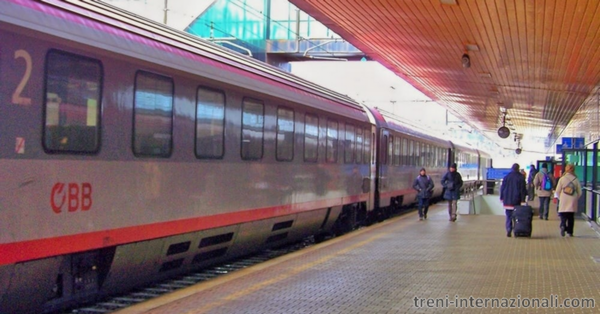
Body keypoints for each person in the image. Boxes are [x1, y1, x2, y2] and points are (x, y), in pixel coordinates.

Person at [554, 163, 582, 237]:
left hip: (563, 199)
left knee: (563, 215)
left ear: (566, 169)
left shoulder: (562, 179)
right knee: (571, 217)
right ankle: (570, 232)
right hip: (572, 200)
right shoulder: (576, 179)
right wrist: (575, 198)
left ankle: (563, 226)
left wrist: (561, 198)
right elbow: (580, 192)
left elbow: (557, 191)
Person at [500, 163, 528, 237]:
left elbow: (502, 188)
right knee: (517, 217)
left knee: (508, 216)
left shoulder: (506, 177)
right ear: (518, 168)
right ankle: (516, 230)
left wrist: (502, 198)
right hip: (517, 201)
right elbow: (523, 190)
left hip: (507, 201)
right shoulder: (521, 177)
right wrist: (523, 200)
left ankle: (509, 229)